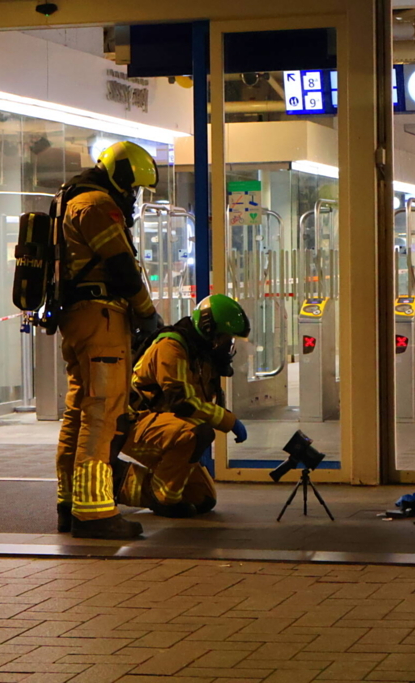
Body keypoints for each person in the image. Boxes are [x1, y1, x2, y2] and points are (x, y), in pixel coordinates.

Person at [55, 141, 162, 540]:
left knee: (79, 412)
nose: (134, 197)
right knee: (103, 411)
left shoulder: (70, 199)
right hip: (102, 319)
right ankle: (94, 511)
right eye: (133, 187)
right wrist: (147, 312)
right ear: (119, 176)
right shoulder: (97, 205)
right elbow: (120, 265)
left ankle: (69, 502)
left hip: (78, 319)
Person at [111, 295, 251, 517]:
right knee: (196, 433)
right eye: (226, 339)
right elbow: (183, 403)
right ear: (208, 329)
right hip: (132, 423)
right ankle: (163, 499)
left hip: (161, 425)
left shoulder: (201, 354)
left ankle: (116, 481)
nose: (228, 346)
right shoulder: (172, 347)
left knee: (201, 498)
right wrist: (229, 420)